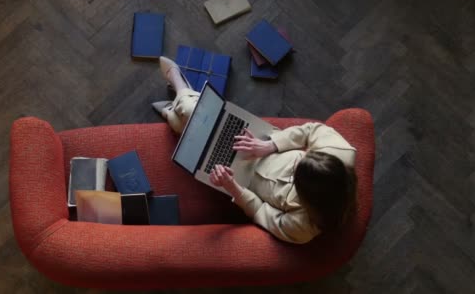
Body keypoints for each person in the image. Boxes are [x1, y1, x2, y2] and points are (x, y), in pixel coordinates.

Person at [152, 56, 357, 244]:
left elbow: (260, 211)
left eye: (295, 176)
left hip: (242, 179)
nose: (293, 168)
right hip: (258, 140)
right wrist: (269, 145)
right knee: (191, 113)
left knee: (187, 128)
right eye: (300, 161)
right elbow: (312, 130)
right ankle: (178, 91)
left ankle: (177, 103)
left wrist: (231, 186)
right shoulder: (342, 154)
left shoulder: (302, 229)